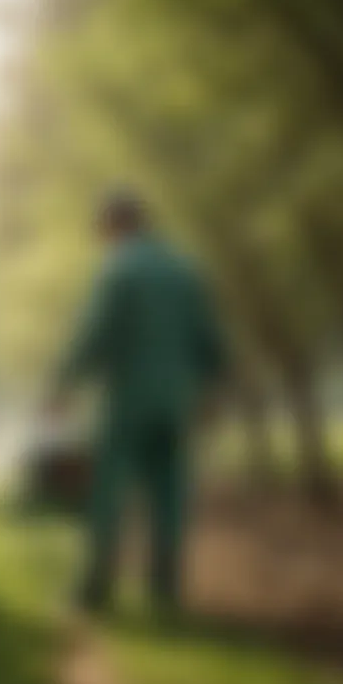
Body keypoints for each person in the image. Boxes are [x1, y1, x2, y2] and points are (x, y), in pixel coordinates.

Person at [47, 189, 227, 613]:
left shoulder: (119, 269)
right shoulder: (186, 269)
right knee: (169, 490)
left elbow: (95, 333)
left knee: (107, 489)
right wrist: (211, 391)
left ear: (113, 226)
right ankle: (165, 589)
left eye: (102, 233)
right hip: (177, 398)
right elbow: (211, 340)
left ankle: (94, 588)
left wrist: (63, 385)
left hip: (128, 397)